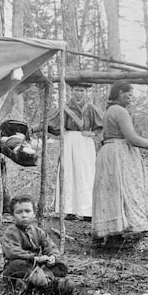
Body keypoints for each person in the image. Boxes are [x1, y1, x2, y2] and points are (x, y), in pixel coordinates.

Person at [92, 81, 148, 246]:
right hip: (118, 153)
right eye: (129, 94)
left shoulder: (110, 110)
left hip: (108, 151)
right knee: (125, 189)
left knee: (113, 191)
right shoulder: (120, 111)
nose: (131, 98)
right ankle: (120, 234)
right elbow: (132, 138)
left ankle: (114, 235)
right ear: (120, 92)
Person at [48, 82, 104, 221]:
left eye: (82, 90)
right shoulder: (65, 108)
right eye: (76, 90)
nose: (79, 93)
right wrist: (60, 130)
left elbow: (102, 125)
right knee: (68, 173)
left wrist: (93, 134)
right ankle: (69, 210)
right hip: (69, 141)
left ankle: (87, 211)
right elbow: (51, 123)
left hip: (85, 142)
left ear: (86, 92)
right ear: (72, 91)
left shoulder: (90, 108)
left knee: (86, 173)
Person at [0, 195, 74, 295]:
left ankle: (33, 284)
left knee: (61, 266)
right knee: (17, 265)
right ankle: (46, 285)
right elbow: (12, 252)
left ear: (34, 214)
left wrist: (52, 256)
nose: (24, 215)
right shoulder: (10, 233)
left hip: (40, 267)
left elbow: (50, 247)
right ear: (12, 215)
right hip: (22, 266)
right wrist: (35, 258)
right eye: (19, 212)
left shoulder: (39, 232)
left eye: (27, 211)